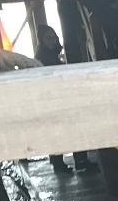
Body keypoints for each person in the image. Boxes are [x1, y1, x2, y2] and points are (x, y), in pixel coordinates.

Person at [37, 25, 94, 174]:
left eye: (54, 37)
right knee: (68, 130)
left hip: (58, 99)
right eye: (49, 38)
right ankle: (78, 161)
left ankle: (62, 161)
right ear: (42, 40)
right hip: (54, 100)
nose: (53, 41)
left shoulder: (50, 54)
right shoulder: (45, 57)